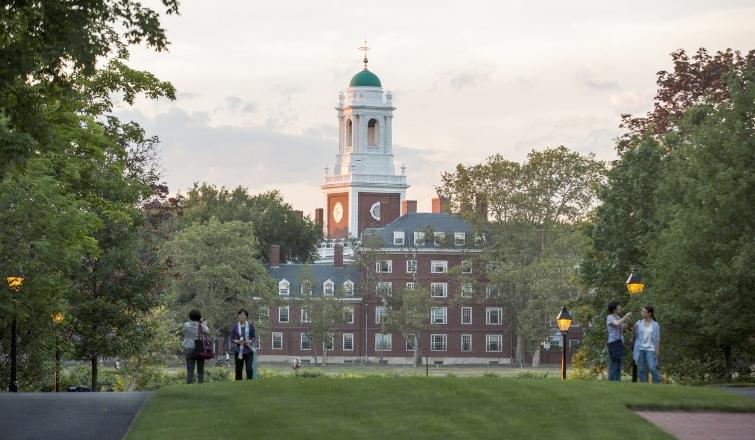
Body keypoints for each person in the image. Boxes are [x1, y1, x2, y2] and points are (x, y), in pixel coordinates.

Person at [633, 305, 661, 384]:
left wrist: (657, 351)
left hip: (651, 349)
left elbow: (658, 339)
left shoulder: (655, 325)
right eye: (642, 311)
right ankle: (644, 385)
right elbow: (635, 336)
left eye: (644, 312)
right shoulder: (639, 323)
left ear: (649, 313)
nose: (642, 313)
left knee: (652, 367)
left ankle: (657, 384)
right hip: (640, 349)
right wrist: (634, 329)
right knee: (641, 369)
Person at [182, 309, 210, 384]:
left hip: (189, 348)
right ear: (199, 317)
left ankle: (189, 387)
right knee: (200, 369)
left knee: (190, 370)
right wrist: (203, 323)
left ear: (190, 316)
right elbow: (207, 331)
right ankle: (200, 385)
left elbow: (184, 331)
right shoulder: (201, 326)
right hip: (200, 349)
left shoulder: (186, 325)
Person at [606, 301, 632, 381]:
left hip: (620, 342)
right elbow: (617, 324)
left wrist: (626, 320)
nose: (620, 308)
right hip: (613, 343)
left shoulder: (618, 317)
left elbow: (623, 327)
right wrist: (625, 316)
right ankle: (612, 380)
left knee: (619, 362)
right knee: (614, 362)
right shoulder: (610, 317)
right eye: (619, 306)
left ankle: (617, 380)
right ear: (614, 309)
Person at [230, 309, 256, 380]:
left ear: (246, 317)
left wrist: (249, 341)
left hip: (249, 350)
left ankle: (250, 384)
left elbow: (254, 337)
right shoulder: (235, 326)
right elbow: (231, 339)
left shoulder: (250, 326)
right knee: (238, 370)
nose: (241, 316)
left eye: (243, 315)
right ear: (238, 316)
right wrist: (238, 341)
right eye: (240, 315)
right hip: (239, 351)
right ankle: (238, 385)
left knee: (249, 369)